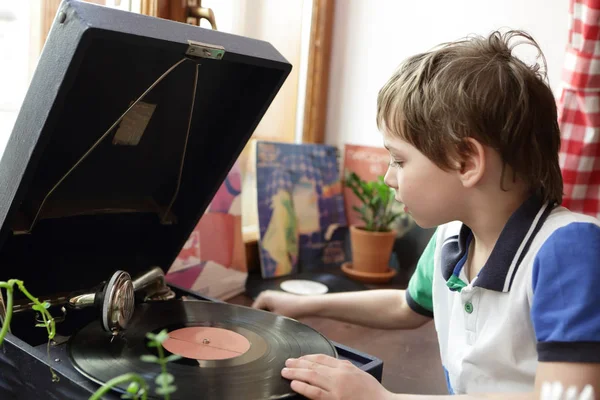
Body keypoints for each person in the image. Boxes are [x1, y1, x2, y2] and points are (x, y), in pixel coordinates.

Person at [252, 30, 600, 400]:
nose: (388, 177)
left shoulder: (569, 250)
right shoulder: (452, 236)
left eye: (399, 160)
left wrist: (382, 399)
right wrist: (304, 305)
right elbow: (407, 306)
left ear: (466, 161)